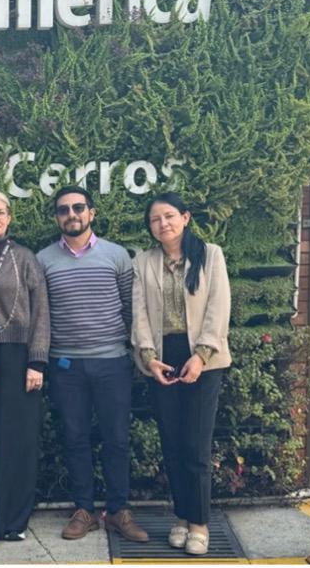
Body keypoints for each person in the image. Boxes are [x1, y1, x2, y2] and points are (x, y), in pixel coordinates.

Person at [36, 185, 148, 543]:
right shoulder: (43, 260)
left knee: (116, 439)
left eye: (78, 208)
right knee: (75, 438)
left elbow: (131, 309)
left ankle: (117, 511)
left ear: (91, 213)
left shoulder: (117, 256)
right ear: (57, 217)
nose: (71, 214)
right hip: (66, 366)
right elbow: (42, 316)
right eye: (64, 210)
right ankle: (84, 510)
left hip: (112, 363)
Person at [131, 193, 231, 557]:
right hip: (162, 359)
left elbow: (218, 308)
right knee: (172, 444)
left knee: (196, 446)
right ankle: (181, 515)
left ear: (185, 217)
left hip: (203, 360)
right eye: (155, 220)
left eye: (169, 216)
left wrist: (202, 356)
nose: (163, 224)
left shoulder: (211, 255)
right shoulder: (144, 262)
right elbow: (139, 313)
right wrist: (149, 357)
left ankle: (200, 523)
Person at [0, 190, 49, 542]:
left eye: (0, 212)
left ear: (9, 217)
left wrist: (37, 361)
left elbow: (42, 315)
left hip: (18, 357)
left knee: (17, 439)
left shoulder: (25, 258)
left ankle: (13, 519)